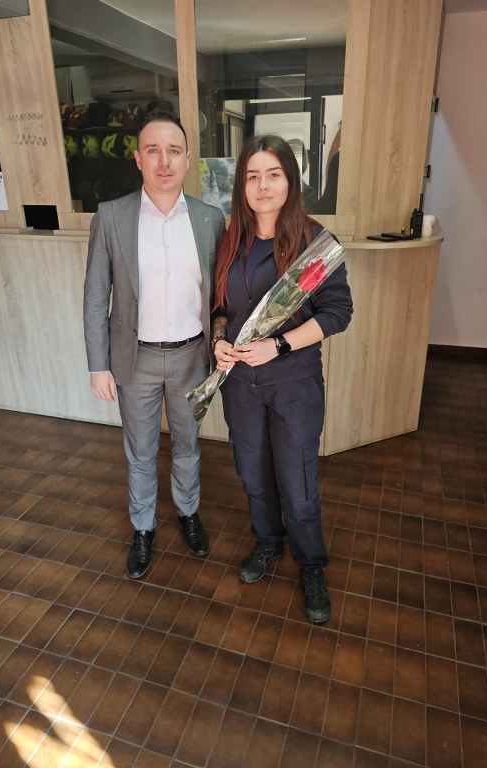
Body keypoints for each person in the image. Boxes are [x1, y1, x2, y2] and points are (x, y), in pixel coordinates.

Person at [212, 134, 353, 623]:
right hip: (241, 388)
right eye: (252, 176)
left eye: (273, 174)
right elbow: (219, 308)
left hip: (294, 384)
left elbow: (337, 313)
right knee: (253, 474)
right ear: (242, 185)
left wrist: (280, 345)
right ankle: (269, 542)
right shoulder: (231, 242)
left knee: (298, 481)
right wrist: (218, 341)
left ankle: (311, 564)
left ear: (291, 181)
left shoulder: (313, 242)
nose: (263, 186)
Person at [84, 111, 225, 579]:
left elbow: (220, 296)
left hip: (193, 357)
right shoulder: (112, 217)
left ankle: (188, 513)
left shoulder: (209, 219)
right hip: (135, 358)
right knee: (140, 451)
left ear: (187, 159)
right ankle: (142, 528)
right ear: (138, 159)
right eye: (153, 151)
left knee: (187, 444)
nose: (164, 161)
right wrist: (98, 365)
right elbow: (95, 295)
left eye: (174, 151)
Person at [287, 138, 318, 212]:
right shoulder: (308, 192)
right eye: (307, 155)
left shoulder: (274, 187)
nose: (309, 160)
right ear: (302, 160)